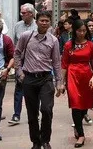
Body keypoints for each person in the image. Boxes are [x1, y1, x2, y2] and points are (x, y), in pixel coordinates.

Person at [14, 11, 63, 149]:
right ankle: (36, 141)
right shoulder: (26, 36)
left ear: (50, 23)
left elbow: (56, 63)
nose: (44, 23)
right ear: (36, 21)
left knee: (47, 110)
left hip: (46, 78)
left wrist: (59, 82)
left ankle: (45, 140)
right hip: (29, 79)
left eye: (47, 21)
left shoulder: (53, 40)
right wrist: (19, 72)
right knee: (32, 113)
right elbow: (17, 53)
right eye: (42, 20)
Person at [61, 19, 93, 148]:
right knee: (75, 103)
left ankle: (77, 126)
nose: (82, 33)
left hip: (86, 76)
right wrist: (61, 82)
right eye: (79, 30)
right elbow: (64, 64)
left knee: (85, 105)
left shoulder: (90, 45)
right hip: (72, 76)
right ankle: (81, 134)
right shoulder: (68, 45)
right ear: (74, 31)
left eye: (84, 31)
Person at [9, 3, 38, 125]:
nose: (21, 15)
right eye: (21, 13)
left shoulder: (38, 26)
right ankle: (16, 114)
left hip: (35, 61)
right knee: (19, 87)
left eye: (23, 13)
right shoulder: (17, 26)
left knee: (34, 89)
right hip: (21, 61)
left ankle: (34, 114)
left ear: (31, 14)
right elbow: (14, 44)